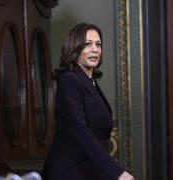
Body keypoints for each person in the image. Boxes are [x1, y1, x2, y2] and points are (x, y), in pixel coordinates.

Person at [42, 23, 134, 180]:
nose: (95, 49)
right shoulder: (69, 81)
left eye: (98, 44)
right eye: (88, 44)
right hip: (69, 173)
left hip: (89, 171)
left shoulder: (90, 82)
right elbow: (79, 131)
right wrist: (116, 171)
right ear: (75, 48)